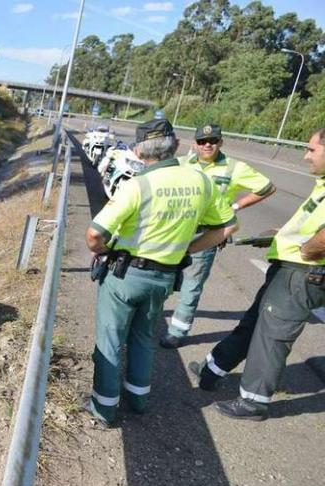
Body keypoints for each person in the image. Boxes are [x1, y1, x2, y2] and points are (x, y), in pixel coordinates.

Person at [85, 118, 238, 425]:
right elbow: (228, 226)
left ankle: (104, 408)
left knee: (111, 339)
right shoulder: (202, 182)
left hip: (125, 276)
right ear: (177, 146)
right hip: (165, 277)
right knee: (143, 337)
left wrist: (102, 251)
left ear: (138, 152)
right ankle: (138, 399)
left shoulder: (137, 186)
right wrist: (187, 250)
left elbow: (94, 234)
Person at [191, 129, 325, 421]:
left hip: (303, 272)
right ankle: (212, 369)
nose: (305, 155)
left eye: (312, 150)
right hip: (289, 267)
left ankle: (253, 402)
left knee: (272, 337)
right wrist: (282, 237)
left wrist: (308, 250)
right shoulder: (323, 184)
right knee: (253, 324)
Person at [161, 124, 276, 348]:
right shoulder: (183, 163)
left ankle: (177, 331)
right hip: (176, 229)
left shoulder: (234, 168)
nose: (207, 145)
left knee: (192, 282)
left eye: (213, 140)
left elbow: (267, 187)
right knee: (162, 274)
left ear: (221, 142)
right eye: (202, 141)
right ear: (194, 143)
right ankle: (150, 318)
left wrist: (235, 205)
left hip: (208, 232)